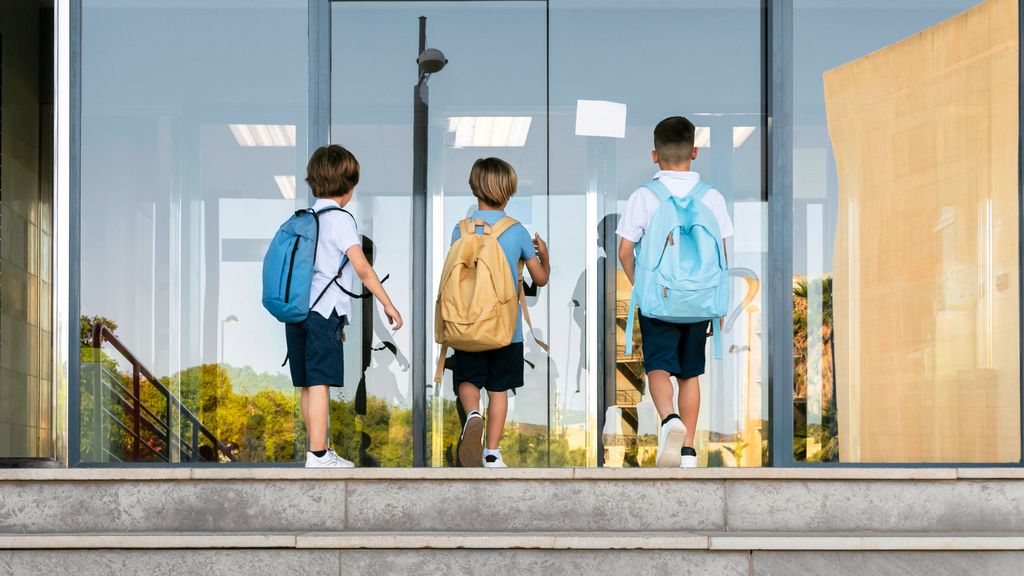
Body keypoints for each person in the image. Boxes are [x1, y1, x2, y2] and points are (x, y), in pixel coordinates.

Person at [616, 117, 734, 468]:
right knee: (689, 374)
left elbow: (624, 250)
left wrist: (642, 283)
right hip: (700, 301)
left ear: (655, 156)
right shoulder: (712, 198)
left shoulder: (644, 197)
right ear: (694, 152)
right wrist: (719, 303)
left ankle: (669, 420)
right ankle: (689, 451)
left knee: (658, 368)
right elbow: (724, 257)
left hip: (660, 301)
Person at [286, 144, 403, 468]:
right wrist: (388, 305)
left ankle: (316, 450)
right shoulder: (339, 220)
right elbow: (362, 268)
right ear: (349, 186)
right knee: (321, 381)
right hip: (322, 314)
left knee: (308, 384)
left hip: (298, 312)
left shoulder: (306, 218)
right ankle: (319, 454)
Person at [452, 157, 550, 468]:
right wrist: (544, 255)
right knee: (498, 390)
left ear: (473, 189)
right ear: (508, 193)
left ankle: (472, 414)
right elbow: (540, 279)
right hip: (506, 329)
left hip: (468, 324)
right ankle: (492, 452)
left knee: (468, 380)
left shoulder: (461, 230)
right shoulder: (517, 231)